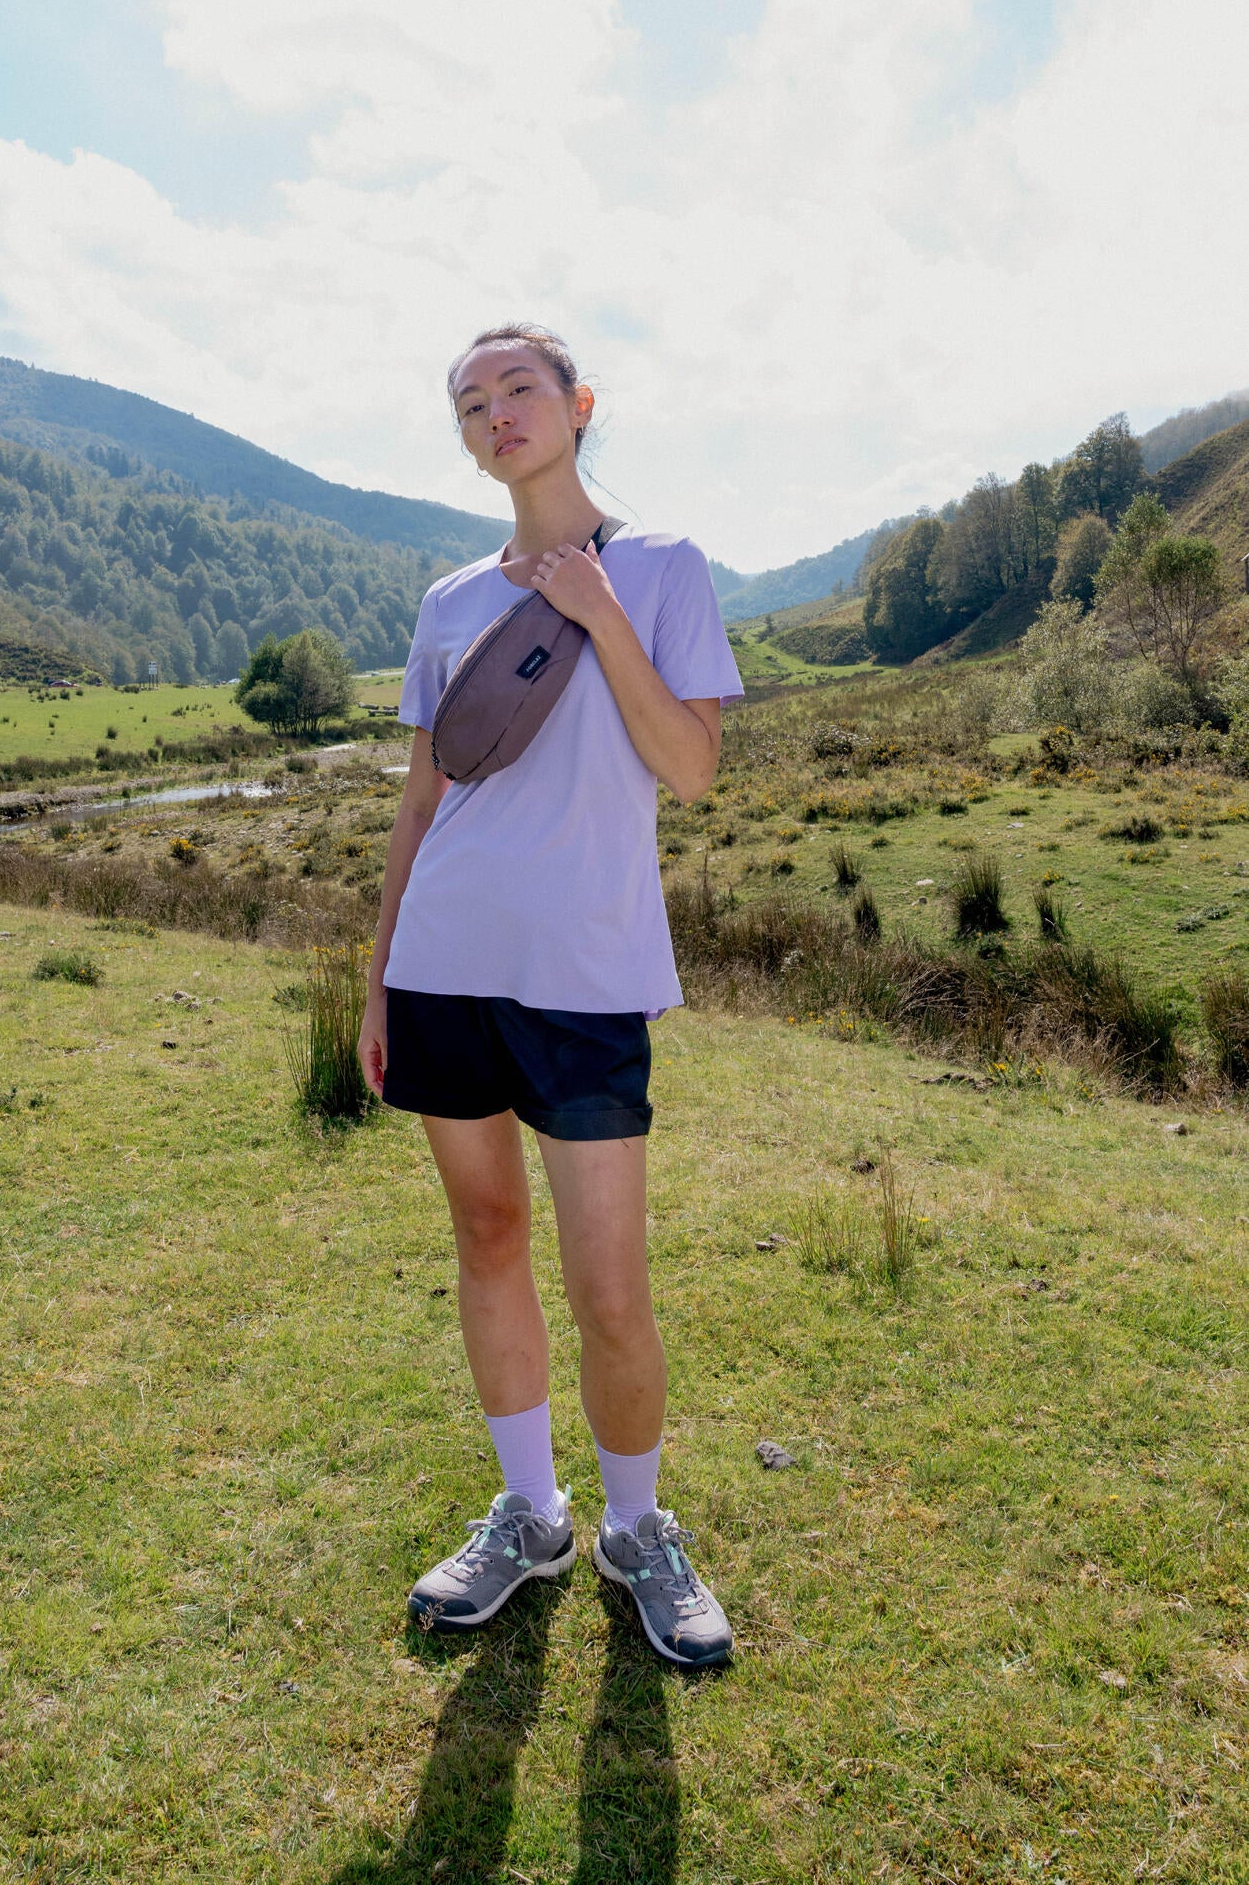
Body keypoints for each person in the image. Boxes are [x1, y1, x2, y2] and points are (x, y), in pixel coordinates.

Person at [358, 323, 743, 1668]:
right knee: (485, 1237)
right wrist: (379, 978)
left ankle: (637, 1530)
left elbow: (690, 766)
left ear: (578, 404)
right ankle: (530, 1517)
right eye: (470, 402)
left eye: (517, 388)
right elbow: (422, 801)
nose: (494, 414)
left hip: (585, 976)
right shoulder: (449, 600)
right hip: (443, 963)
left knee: (609, 1286)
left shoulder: (662, 565)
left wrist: (597, 613)